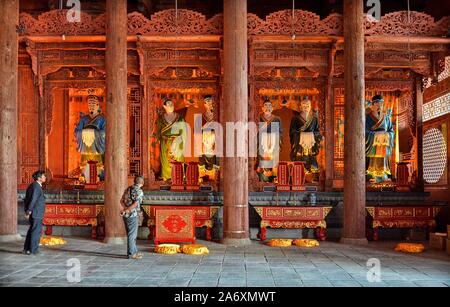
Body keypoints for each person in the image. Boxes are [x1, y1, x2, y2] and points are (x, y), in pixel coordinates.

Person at [154, 98, 187, 181]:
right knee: (166, 160)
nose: (171, 105)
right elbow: (158, 131)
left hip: (177, 142)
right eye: (168, 104)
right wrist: (157, 141)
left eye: (172, 103)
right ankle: (166, 177)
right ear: (164, 106)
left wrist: (184, 142)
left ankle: (178, 177)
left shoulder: (180, 118)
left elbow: (184, 131)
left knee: (177, 160)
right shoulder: (161, 119)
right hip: (165, 142)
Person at [289, 97, 322, 176]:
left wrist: (311, 135)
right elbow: (292, 132)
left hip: (311, 146)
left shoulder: (314, 119)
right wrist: (301, 135)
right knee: (299, 165)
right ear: (300, 107)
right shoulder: (295, 119)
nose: (306, 108)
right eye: (304, 106)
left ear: (310, 106)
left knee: (313, 165)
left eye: (307, 106)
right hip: (300, 146)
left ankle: (312, 174)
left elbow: (318, 132)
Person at [365, 95, 394, 182]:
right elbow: (364, 131)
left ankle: (383, 176)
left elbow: (391, 131)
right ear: (373, 105)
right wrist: (375, 135)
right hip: (373, 143)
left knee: (383, 159)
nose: (379, 106)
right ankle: (372, 176)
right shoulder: (367, 118)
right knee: (373, 159)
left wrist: (387, 135)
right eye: (377, 104)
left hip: (383, 143)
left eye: (381, 104)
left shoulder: (386, 118)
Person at [257, 98, 282, 183]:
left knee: (273, 162)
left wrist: (274, 138)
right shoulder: (258, 118)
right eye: (265, 106)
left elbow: (280, 132)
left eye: (269, 106)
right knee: (263, 161)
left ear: (272, 108)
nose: (267, 108)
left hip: (273, 145)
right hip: (262, 146)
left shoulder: (277, 119)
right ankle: (262, 179)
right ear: (262, 108)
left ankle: (273, 179)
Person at [120, 175, 145, 259]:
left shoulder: (128, 189)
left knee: (130, 234)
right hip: (133, 214)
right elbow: (135, 204)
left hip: (126, 215)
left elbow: (121, 201)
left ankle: (134, 252)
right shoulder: (139, 191)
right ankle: (131, 253)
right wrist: (127, 210)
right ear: (142, 183)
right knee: (132, 235)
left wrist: (125, 209)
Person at [23, 171, 47, 255]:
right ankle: (34, 250)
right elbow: (33, 200)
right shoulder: (36, 187)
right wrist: (28, 211)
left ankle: (27, 249)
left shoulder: (33, 185)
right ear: (39, 178)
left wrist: (28, 210)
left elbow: (28, 199)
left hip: (35, 212)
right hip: (36, 212)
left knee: (32, 230)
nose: (45, 177)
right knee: (36, 231)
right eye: (44, 176)